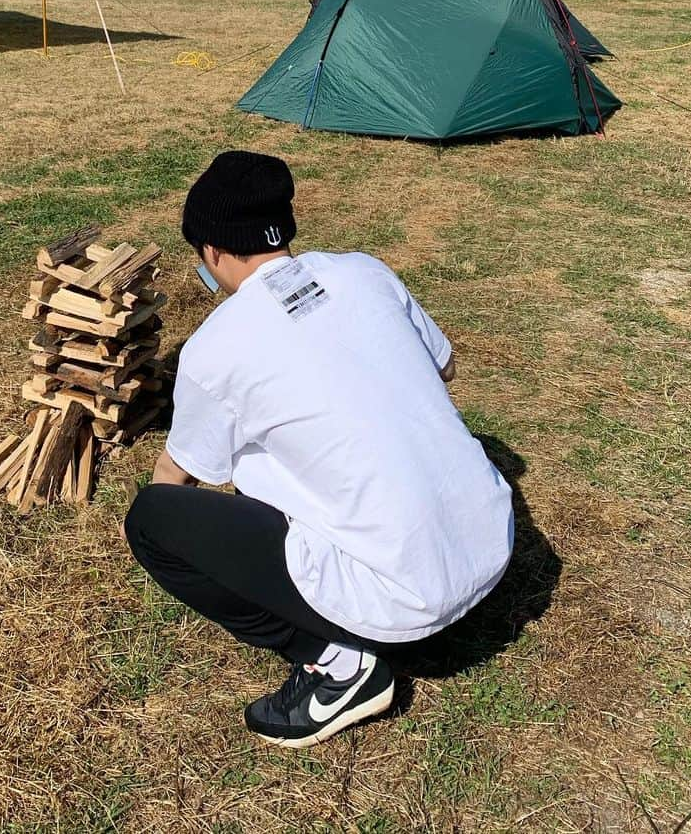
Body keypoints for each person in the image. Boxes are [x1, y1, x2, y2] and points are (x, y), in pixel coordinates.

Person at [125, 151, 515, 749]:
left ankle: (336, 665)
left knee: (153, 522)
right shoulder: (365, 270)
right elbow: (447, 366)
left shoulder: (217, 347)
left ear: (211, 252)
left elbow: (177, 476)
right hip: (488, 544)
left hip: (399, 597)